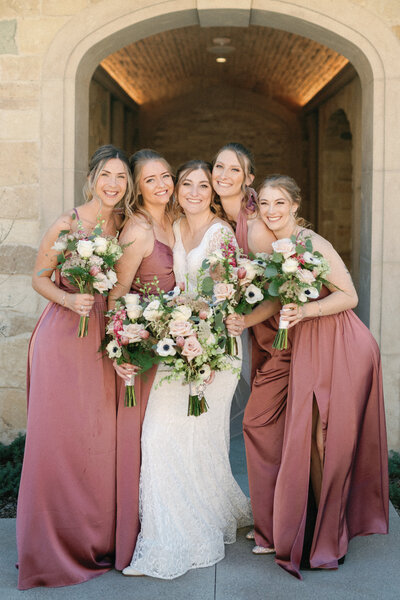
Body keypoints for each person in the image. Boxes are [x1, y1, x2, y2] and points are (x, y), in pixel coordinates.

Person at [122, 160, 252, 579]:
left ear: (213, 193)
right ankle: (184, 525)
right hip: (178, 345)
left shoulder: (221, 235)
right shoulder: (175, 228)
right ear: (177, 189)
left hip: (214, 349)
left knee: (192, 437)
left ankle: (185, 537)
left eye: (202, 185)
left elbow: (224, 298)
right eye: (186, 184)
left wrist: (197, 337)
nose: (193, 192)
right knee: (162, 436)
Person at [259, 174, 388, 578]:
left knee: (326, 439)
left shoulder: (314, 245)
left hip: (341, 343)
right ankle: (317, 527)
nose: (272, 211)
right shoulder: (276, 249)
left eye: (280, 202)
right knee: (313, 438)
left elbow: (349, 295)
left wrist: (304, 312)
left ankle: (332, 536)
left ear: (296, 205)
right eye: (264, 203)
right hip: (309, 346)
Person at [16, 144, 132, 589]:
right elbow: (39, 277)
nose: (113, 184)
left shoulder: (123, 225)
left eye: (122, 177)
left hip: (105, 338)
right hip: (63, 338)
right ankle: (49, 549)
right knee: (59, 440)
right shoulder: (68, 223)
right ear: (92, 178)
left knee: (98, 440)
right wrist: (71, 298)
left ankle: (94, 541)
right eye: (107, 174)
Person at [213, 143, 290, 555]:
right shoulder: (220, 220)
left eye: (234, 169)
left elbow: (278, 294)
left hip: (281, 340)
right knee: (270, 430)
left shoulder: (255, 226)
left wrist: (244, 320)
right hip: (257, 342)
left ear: (249, 179)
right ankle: (270, 516)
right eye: (219, 166)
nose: (223, 174)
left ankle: (276, 528)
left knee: (258, 426)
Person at [108, 149, 176, 572]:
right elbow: (116, 295)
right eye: (150, 180)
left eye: (166, 175)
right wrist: (119, 350)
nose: (163, 185)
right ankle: (141, 531)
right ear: (137, 186)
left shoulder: (178, 220)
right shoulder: (137, 229)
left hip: (176, 346)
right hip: (146, 352)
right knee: (148, 444)